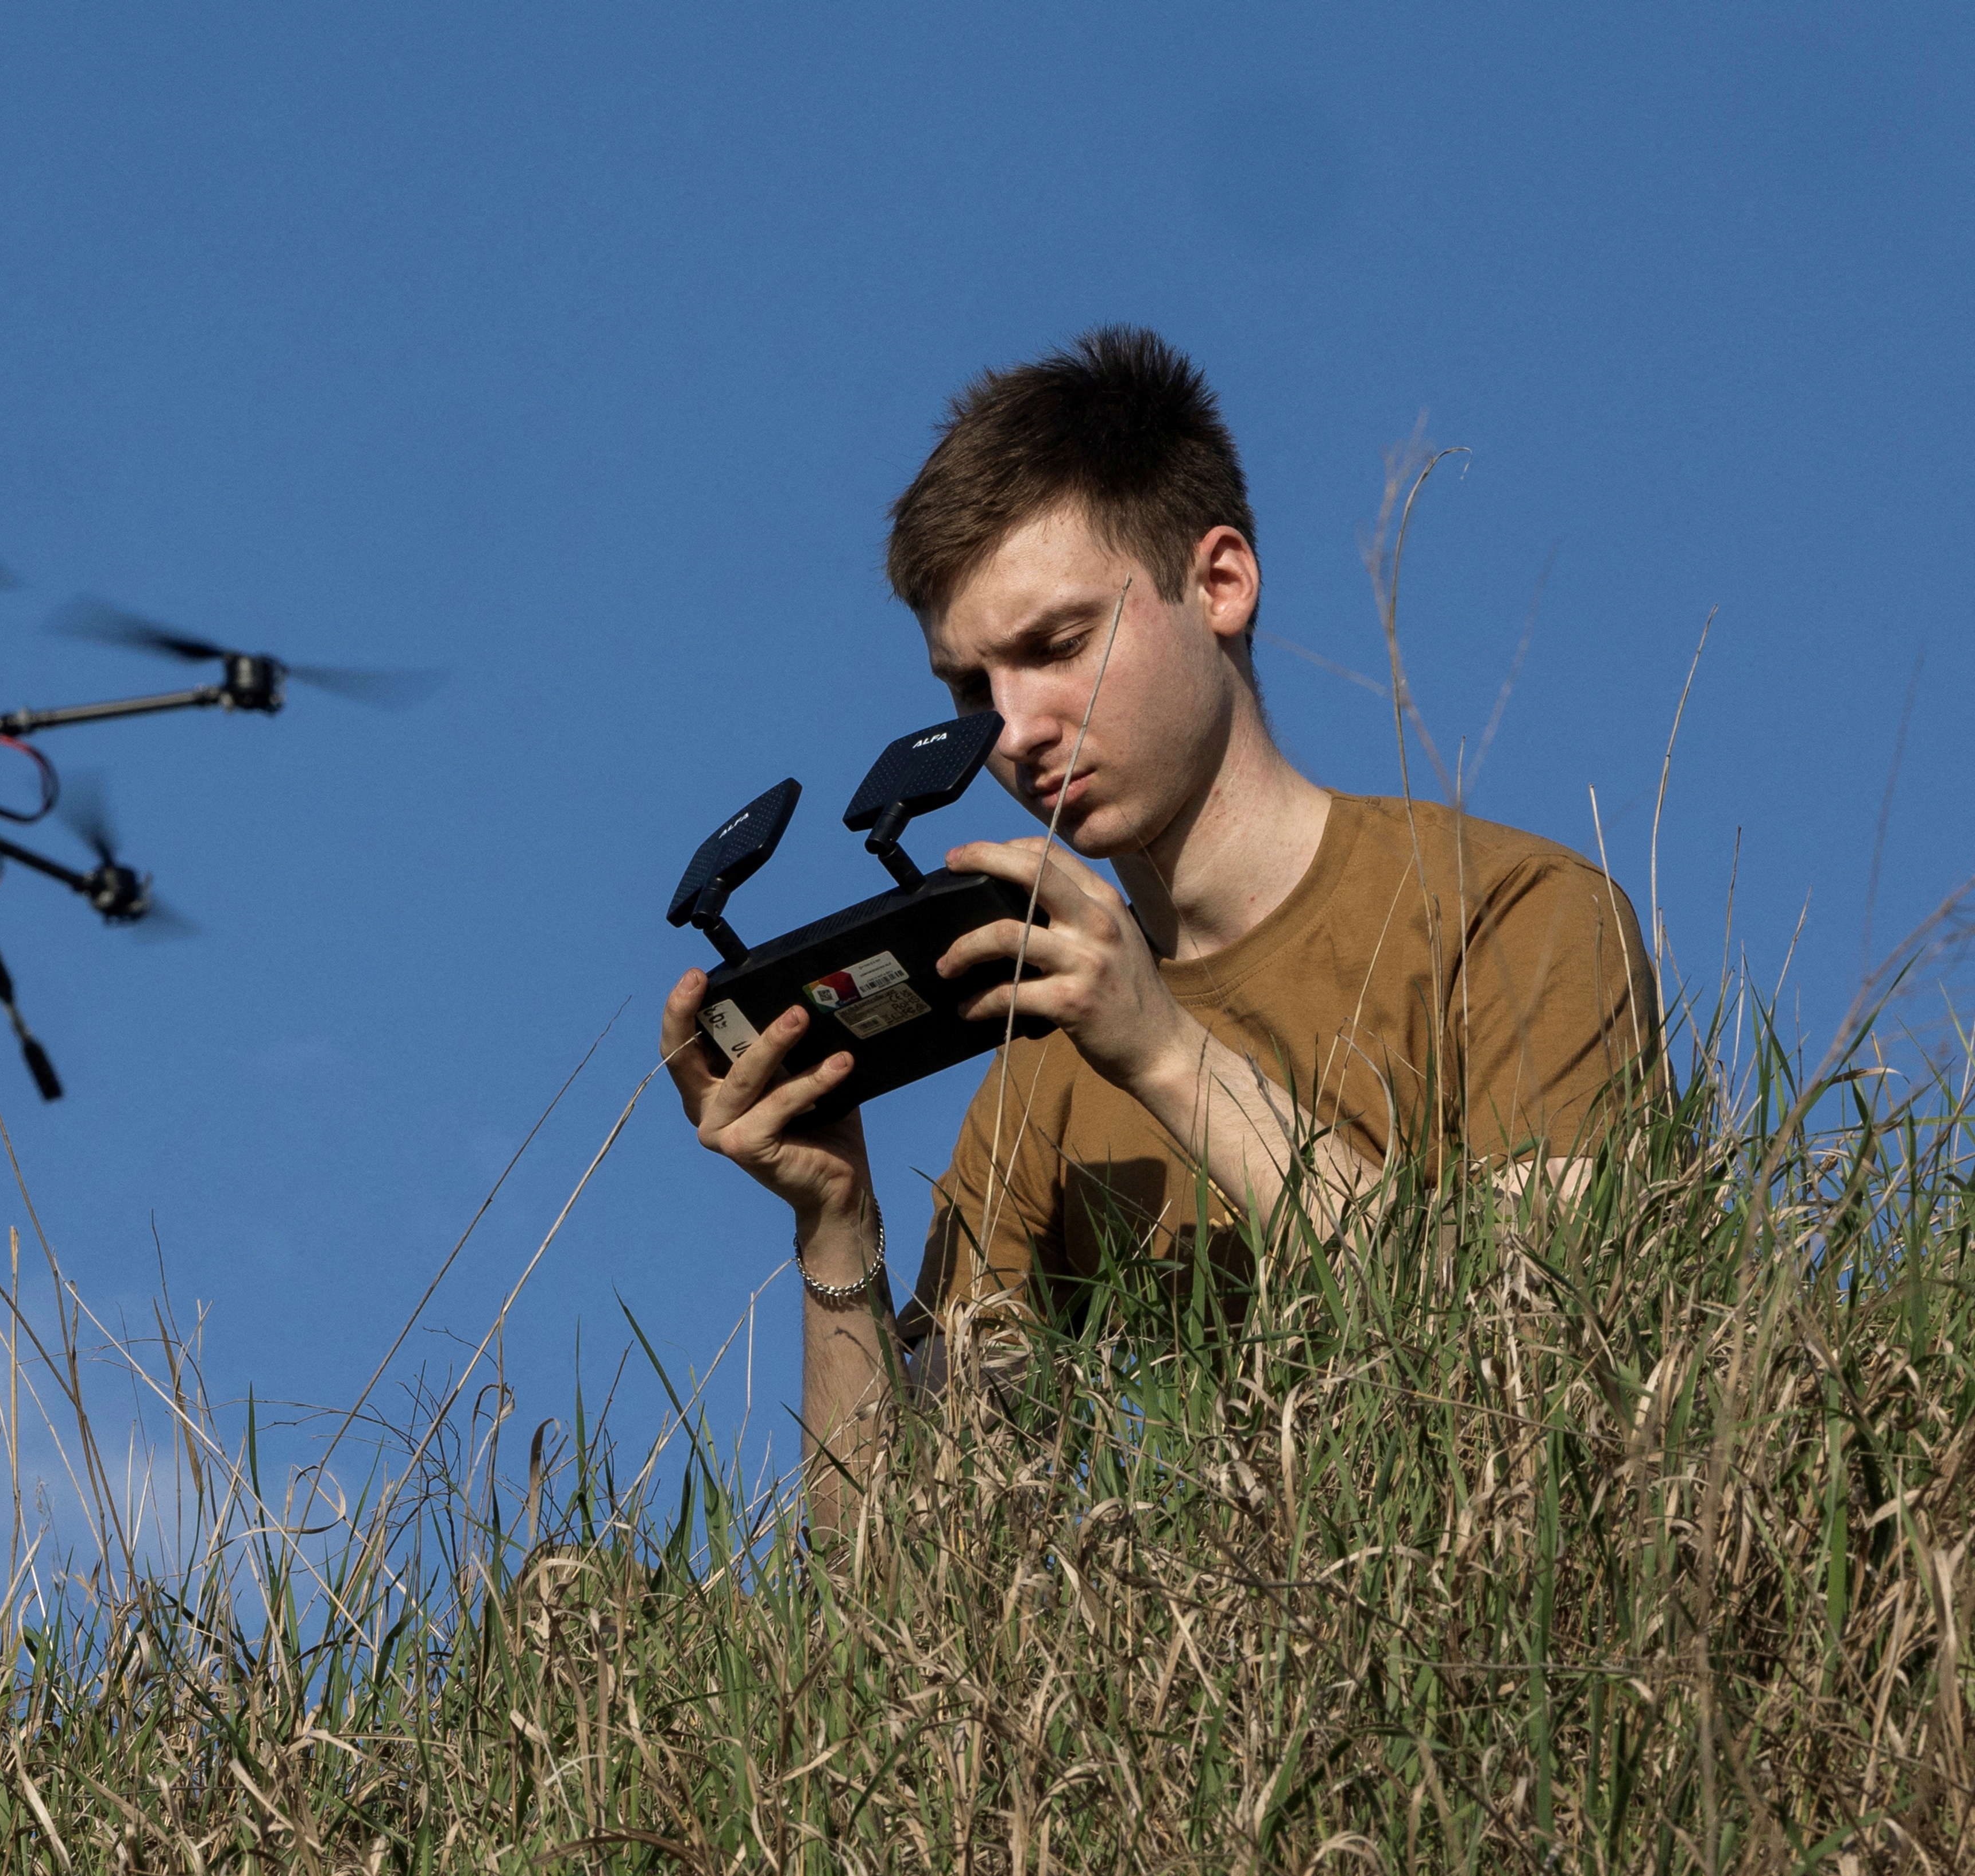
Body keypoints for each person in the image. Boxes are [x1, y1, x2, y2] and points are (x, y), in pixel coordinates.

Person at [661, 327, 1661, 1491]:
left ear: (1221, 581)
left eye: (1059, 644)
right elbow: (902, 1594)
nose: (1016, 729)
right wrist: (836, 1226)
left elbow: (1534, 1368)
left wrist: (1168, 1051)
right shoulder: (1042, 1061)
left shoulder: (1518, 912)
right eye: (969, 688)